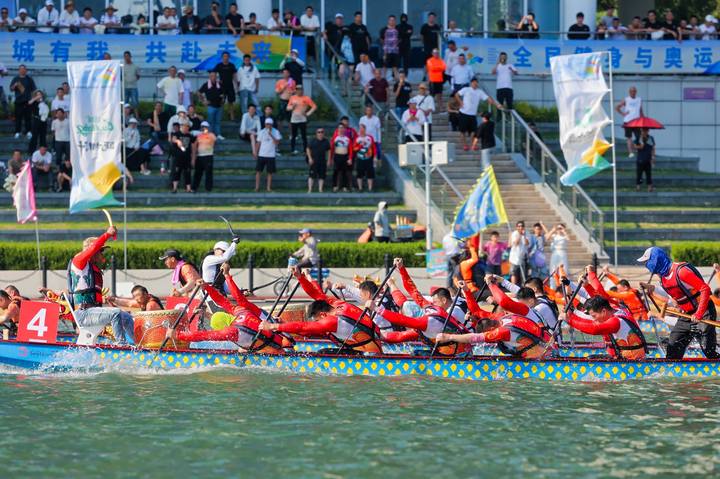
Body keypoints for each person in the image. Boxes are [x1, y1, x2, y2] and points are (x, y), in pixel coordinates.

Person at [261, 266, 382, 354]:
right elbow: (315, 293)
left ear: (323, 314)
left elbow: (304, 327)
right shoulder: (337, 304)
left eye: (317, 320)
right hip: (372, 346)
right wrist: (300, 277)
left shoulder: (330, 322)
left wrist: (273, 326)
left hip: (369, 354)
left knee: (322, 353)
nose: (317, 322)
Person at [169, 274, 289, 354]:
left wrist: (178, 335)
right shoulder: (240, 311)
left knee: (242, 349)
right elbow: (222, 301)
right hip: (283, 344)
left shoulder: (231, 332)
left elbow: (203, 336)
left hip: (271, 354)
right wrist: (207, 287)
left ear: (223, 327)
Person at [379, 258, 471, 356]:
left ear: (443, 300)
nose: (433, 303)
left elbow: (401, 328)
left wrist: (377, 310)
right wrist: (401, 269)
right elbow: (412, 290)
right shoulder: (434, 308)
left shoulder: (441, 317)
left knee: (416, 353)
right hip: (449, 346)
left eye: (434, 302)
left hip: (460, 354)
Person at [639, 247, 718, 359]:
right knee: (673, 348)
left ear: (656, 259)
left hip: (704, 310)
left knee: (708, 349)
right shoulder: (663, 276)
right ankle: (672, 365)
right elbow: (672, 291)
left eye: (647, 261)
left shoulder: (681, 271)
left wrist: (699, 313)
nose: (646, 265)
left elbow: (705, 289)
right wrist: (652, 288)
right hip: (686, 314)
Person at [68, 227, 135, 345]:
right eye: (101, 250)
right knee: (115, 313)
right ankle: (122, 345)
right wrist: (107, 234)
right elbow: (93, 247)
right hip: (84, 313)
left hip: (93, 312)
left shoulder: (92, 267)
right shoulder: (79, 262)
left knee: (127, 318)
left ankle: (139, 345)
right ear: (92, 251)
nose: (102, 254)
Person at [563, 295, 647, 360]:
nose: (594, 319)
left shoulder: (615, 322)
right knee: (591, 358)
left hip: (632, 361)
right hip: (627, 358)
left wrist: (569, 320)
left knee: (590, 360)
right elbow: (591, 322)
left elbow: (594, 329)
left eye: (594, 316)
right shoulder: (617, 310)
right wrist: (572, 314)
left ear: (603, 311)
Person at [455, 78, 502, 151]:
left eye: (476, 82)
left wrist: (497, 104)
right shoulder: (466, 89)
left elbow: (488, 99)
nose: (475, 84)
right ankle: (464, 145)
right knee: (462, 131)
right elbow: (456, 95)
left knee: (474, 131)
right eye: (474, 82)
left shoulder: (480, 92)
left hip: (472, 115)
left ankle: (472, 144)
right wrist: (460, 102)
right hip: (463, 113)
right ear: (471, 83)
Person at [287, 85, 317, 155]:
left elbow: (314, 106)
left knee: (304, 136)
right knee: (293, 135)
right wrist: (292, 107)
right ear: (296, 90)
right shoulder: (292, 97)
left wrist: (308, 113)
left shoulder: (306, 98)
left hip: (302, 119)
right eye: (298, 90)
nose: (299, 91)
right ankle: (293, 150)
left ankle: (305, 150)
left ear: (302, 90)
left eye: (300, 90)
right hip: (294, 119)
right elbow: (287, 108)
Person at [616, 86, 643, 158]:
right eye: (631, 91)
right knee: (629, 137)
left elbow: (640, 110)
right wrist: (623, 113)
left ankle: (636, 147)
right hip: (628, 121)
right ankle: (630, 152)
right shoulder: (626, 99)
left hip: (637, 121)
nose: (633, 92)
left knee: (638, 136)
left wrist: (643, 118)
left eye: (634, 91)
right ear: (629, 92)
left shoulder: (639, 99)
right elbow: (617, 107)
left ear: (636, 92)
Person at [255, 118, 281, 192]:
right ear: (265, 124)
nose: (268, 125)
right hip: (262, 154)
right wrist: (256, 152)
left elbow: (277, 143)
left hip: (271, 155)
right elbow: (258, 143)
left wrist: (271, 135)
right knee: (258, 171)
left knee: (269, 172)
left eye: (269, 124)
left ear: (272, 125)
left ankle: (268, 188)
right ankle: (257, 187)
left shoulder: (276, 132)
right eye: (267, 124)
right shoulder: (261, 132)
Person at [11, 65, 36, 140]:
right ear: (19, 70)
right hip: (18, 101)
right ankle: (17, 132)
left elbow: (34, 90)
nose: (22, 70)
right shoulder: (15, 78)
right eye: (21, 69)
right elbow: (11, 89)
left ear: (26, 70)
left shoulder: (29, 79)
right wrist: (15, 85)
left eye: (24, 69)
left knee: (28, 117)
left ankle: (28, 132)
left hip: (27, 101)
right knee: (18, 118)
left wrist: (33, 100)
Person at [212, 52, 238, 121]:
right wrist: (217, 81)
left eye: (227, 56)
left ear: (229, 57)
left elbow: (234, 75)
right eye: (224, 56)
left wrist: (236, 85)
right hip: (222, 87)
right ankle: (220, 117)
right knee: (221, 102)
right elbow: (213, 73)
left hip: (230, 86)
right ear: (222, 57)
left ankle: (232, 118)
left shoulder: (231, 65)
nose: (225, 58)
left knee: (231, 102)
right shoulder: (219, 65)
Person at [169, 122, 195, 193]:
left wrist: (193, 158)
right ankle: (174, 188)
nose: (186, 128)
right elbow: (173, 139)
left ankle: (188, 189)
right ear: (181, 127)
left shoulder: (190, 135)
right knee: (177, 172)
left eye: (187, 127)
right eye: (184, 126)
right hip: (178, 157)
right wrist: (178, 141)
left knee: (188, 173)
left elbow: (193, 145)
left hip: (187, 157)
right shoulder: (176, 134)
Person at [198, 71, 224, 138]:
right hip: (211, 106)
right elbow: (199, 92)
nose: (213, 77)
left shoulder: (219, 84)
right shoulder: (206, 84)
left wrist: (222, 100)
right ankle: (210, 135)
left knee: (218, 122)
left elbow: (222, 94)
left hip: (219, 106)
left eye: (215, 76)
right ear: (209, 77)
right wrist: (203, 101)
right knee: (210, 122)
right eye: (212, 76)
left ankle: (218, 134)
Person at [192, 122, 217, 192]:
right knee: (197, 173)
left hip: (208, 156)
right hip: (200, 156)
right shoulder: (198, 136)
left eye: (205, 127)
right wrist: (194, 157)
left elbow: (215, 142)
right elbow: (194, 145)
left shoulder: (211, 135)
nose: (204, 128)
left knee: (208, 173)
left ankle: (208, 188)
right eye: (202, 127)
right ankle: (194, 188)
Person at [492, 52, 517, 119]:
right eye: (502, 57)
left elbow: (516, 73)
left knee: (510, 103)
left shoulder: (510, 65)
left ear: (506, 58)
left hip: (509, 87)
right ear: (500, 58)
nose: (503, 58)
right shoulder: (498, 65)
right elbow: (493, 72)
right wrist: (497, 64)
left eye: (504, 57)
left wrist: (511, 69)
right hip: (500, 87)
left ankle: (510, 117)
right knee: (499, 103)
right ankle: (499, 117)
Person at [353, 124, 377, 192]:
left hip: (368, 157)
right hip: (360, 158)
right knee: (359, 173)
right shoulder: (357, 138)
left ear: (365, 129)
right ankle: (360, 188)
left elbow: (374, 147)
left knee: (370, 173)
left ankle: (370, 188)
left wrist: (375, 156)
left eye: (362, 129)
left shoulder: (370, 137)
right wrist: (360, 145)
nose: (361, 130)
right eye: (360, 129)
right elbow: (354, 149)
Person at [329, 122, 353, 192]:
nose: (341, 129)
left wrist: (350, 158)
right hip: (337, 156)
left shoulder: (347, 139)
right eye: (340, 128)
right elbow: (332, 149)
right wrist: (330, 159)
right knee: (335, 172)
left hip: (345, 156)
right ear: (338, 129)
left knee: (344, 172)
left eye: (342, 128)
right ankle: (334, 186)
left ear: (344, 129)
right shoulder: (335, 138)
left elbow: (350, 149)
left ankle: (344, 186)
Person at [306, 127, 330, 193]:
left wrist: (328, 160)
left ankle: (320, 189)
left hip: (322, 161)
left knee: (322, 176)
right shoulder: (312, 141)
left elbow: (329, 150)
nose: (320, 133)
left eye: (322, 132)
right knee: (311, 176)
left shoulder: (326, 141)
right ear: (316, 133)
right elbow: (308, 149)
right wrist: (310, 158)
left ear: (324, 133)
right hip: (314, 161)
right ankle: (310, 189)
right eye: (319, 132)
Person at [379, 15, 401, 80]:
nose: (392, 21)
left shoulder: (398, 29)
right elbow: (381, 39)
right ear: (388, 21)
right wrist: (386, 46)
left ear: (395, 21)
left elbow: (400, 39)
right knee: (385, 66)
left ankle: (397, 80)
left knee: (395, 66)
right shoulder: (384, 29)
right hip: (386, 51)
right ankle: (383, 79)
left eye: (393, 20)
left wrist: (395, 45)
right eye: (390, 20)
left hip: (395, 51)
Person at [634, 128, 655, 192]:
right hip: (640, 159)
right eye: (643, 131)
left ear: (648, 131)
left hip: (648, 159)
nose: (644, 132)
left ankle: (649, 187)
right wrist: (640, 146)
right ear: (641, 131)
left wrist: (653, 157)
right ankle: (638, 186)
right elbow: (634, 146)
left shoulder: (650, 138)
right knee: (639, 174)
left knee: (648, 174)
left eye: (646, 130)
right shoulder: (638, 138)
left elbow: (653, 148)